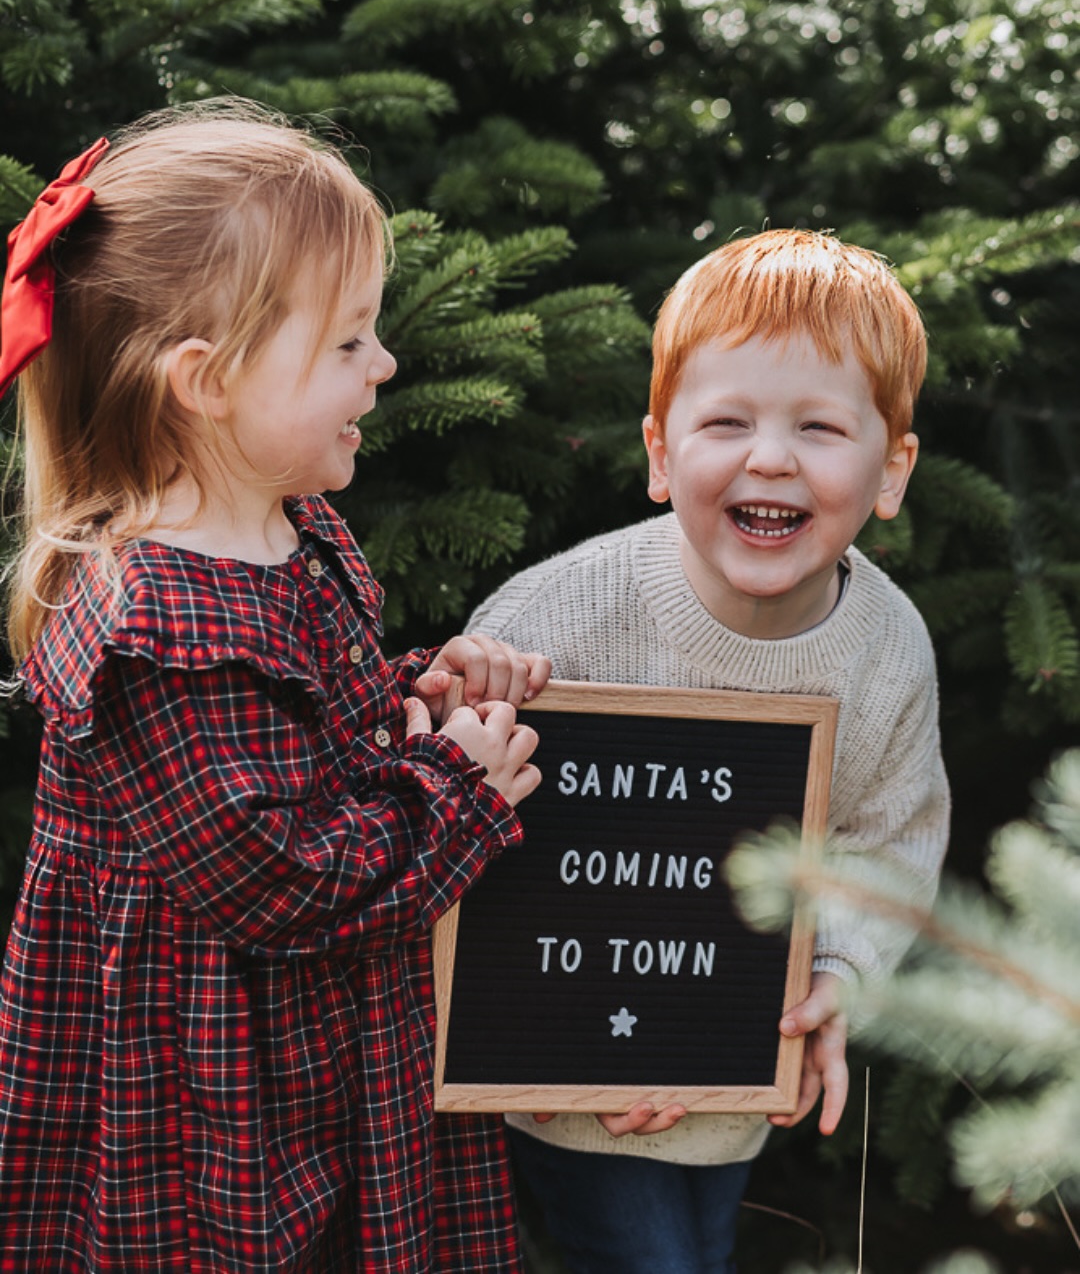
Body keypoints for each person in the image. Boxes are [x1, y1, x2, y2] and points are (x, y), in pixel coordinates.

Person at [0, 102, 551, 1272]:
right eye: (347, 342)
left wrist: (426, 693)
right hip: (211, 1092)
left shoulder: (294, 530)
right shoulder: (152, 622)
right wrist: (457, 788)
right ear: (206, 380)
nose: (384, 364)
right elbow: (283, 882)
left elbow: (320, 728)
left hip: (320, 1045)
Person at [468, 228, 950, 1274]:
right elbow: (453, 824)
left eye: (819, 428)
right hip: (565, 1079)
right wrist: (571, 1040)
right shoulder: (556, 620)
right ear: (659, 452)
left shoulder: (885, 649)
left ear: (891, 470)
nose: (769, 457)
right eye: (727, 421)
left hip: (740, 1057)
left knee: (698, 1248)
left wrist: (842, 969)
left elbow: (888, 835)